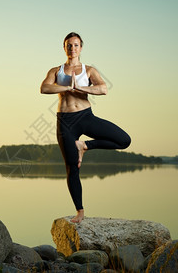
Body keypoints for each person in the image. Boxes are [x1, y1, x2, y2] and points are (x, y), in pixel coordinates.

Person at [40, 32, 131, 223]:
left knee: (124, 140)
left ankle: (85, 145)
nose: (72, 48)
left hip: (86, 116)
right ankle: (80, 211)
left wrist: (81, 88)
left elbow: (103, 89)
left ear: (81, 48)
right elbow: (44, 88)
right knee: (72, 168)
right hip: (65, 121)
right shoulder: (56, 71)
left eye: (76, 45)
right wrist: (66, 88)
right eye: (69, 45)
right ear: (64, 48)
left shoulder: (89, 70)